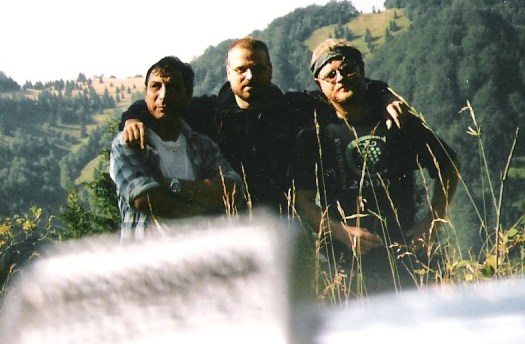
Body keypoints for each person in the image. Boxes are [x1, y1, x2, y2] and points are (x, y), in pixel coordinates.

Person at [118, 37, 403, 213]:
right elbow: (159, 103)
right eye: (241, 69)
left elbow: (340, 91)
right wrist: (131, 118)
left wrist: (383, 94)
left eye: (257, 68)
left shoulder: (293, 108)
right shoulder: (207, 112)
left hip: (282, 222)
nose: (250, 76)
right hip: (226, 225)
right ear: (228, 73)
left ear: (270, 70)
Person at [293, 39, 461, 295]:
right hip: (345, 266)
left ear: (362, 70)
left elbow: (448, 166)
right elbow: (302, 200)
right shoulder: (314, 134)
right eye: (331, 75)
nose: (340, 78)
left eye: (348, 69)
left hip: (408, 258)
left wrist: (431, 223)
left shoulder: (397, 120)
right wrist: (341, 232)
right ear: (319, 83)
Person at [109, 56, 244, 239]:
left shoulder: (202, 145)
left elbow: (232, 189)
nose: (163, 95)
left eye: (172, 88)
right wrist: (205, 207)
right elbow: (145, 199)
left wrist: (173, 185)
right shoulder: (129, 143)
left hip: (197, 253)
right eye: (156, 86)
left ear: (187, 97)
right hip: (146, 254)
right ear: (146, 93)